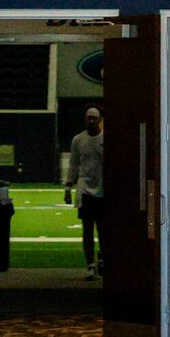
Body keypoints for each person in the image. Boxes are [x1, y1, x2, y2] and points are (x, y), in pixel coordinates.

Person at [62, 104, 108, 276]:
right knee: (87, 227)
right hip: (84, 189)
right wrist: (68, 186)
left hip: (102, 189)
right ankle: (90, 265)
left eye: (94, 118)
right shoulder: (78, 140)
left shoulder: (106, 139)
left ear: (99, 120)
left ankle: (102, 257)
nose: (90, 121)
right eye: (88, 118)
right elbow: (73, 164)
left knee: (103, 227)